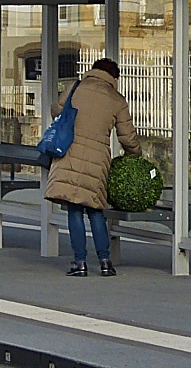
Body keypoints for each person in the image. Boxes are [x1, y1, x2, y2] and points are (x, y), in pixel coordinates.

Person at [44, 58, 141, 277]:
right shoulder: (117, 99)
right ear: (114, 77)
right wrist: (135, 155)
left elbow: (56, 111)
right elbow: (127, 136)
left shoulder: (75, 87)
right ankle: (105, 261)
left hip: (70, 153)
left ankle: (80, 263)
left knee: (75, 209)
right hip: (98, 159)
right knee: (96, 209)